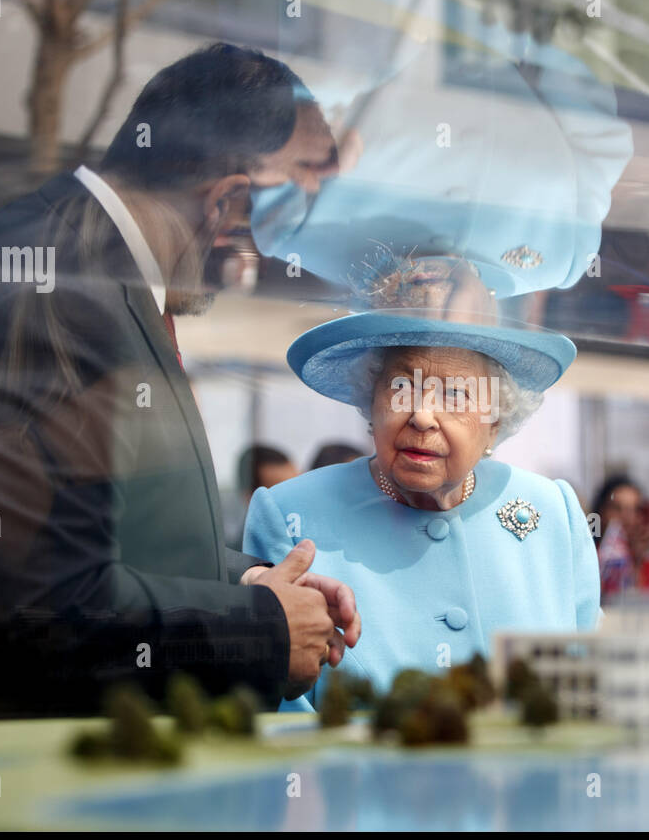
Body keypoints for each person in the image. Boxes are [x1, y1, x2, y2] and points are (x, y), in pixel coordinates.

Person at [0, 43, 358, 720]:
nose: (274, 250)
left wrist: (250, 582)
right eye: (286, 207)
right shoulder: (66, 291)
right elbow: (41, 607)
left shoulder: (73, 260)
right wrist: (260, 627)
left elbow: (104, 538)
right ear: (227, 199)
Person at [243, 269, 600, 708]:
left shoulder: (553, 513)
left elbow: (588, 699)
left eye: (455, 394)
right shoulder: (290, 514)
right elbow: (282, 727)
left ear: (496, 418)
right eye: (402, 387)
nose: (423, 416)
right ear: (370, 399)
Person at [591, 474, 649, 597]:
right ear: (601, 513)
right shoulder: (591, 559)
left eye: (635, 509)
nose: (627, 518)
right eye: (617, 509)